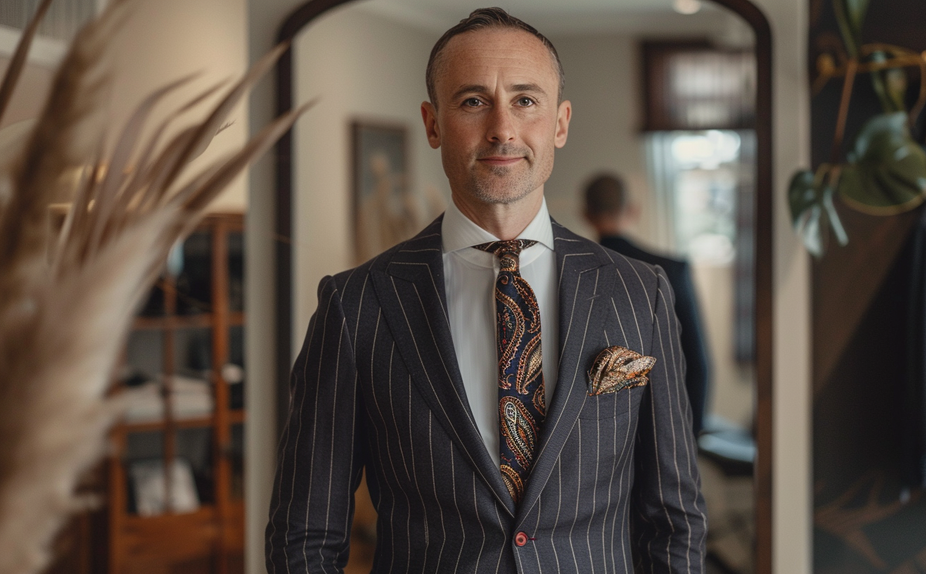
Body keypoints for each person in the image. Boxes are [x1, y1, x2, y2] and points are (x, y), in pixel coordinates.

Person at [266, 8, 706, 573]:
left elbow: (674, 519)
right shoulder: (357, 307)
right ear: (432, 124)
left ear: (561, 122)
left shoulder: (637, 292)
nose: (502, 127)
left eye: (526, 100)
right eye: (473, 101)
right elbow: (303, 536)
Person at [582, 173, 711, 435]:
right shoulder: (670, 271)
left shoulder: (574, 275)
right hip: (661, 424)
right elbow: (697, 362)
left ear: (586, 214)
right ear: (633, 210)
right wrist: (691, 434)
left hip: (596, 432)